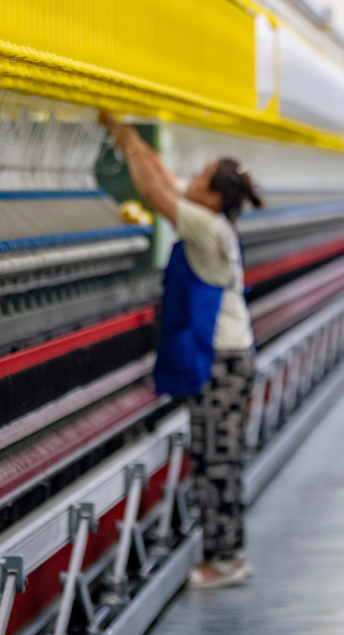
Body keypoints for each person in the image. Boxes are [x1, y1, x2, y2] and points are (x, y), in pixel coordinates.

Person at [100, 112, 263, 589]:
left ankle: (226, 559)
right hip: (232, 356)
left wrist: (126, 138)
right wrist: (128, 136)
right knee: (221, 455)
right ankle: (227, 552)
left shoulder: (205, 225)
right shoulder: (213, 220)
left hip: (223, 360)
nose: (187, 180)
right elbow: (163, 179)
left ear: (212, 195)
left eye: (200, 176)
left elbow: (154, 193)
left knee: (216, 459)